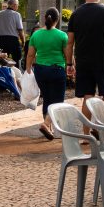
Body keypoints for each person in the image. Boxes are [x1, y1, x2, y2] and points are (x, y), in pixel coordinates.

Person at [65, 0, 104, 121]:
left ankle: (86, 135)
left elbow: (70, 42)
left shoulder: (75, 14)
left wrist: (69, 64)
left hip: (83, 60)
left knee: (88, 96)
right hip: (103, 59)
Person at [26, 7, 69, 140]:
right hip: (57, 69)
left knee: (47, 99)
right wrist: (71, 67)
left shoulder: (36, 34)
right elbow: (68, 55)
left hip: (40, 70)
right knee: (58, 101)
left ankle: (49, 127)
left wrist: (28, 69)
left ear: (45, 18)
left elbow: (30, 54)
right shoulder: (62, 35)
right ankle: (46, 124)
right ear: (58, 19)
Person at [0, 0, 24, 64]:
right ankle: (16, 73)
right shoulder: (16, 14)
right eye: (17, 5)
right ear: (14, 5)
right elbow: (20, 29)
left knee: (2, 61)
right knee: (17, 59)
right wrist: (23, 41)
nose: (17, 7)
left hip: (1, 40)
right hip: (13, 40)